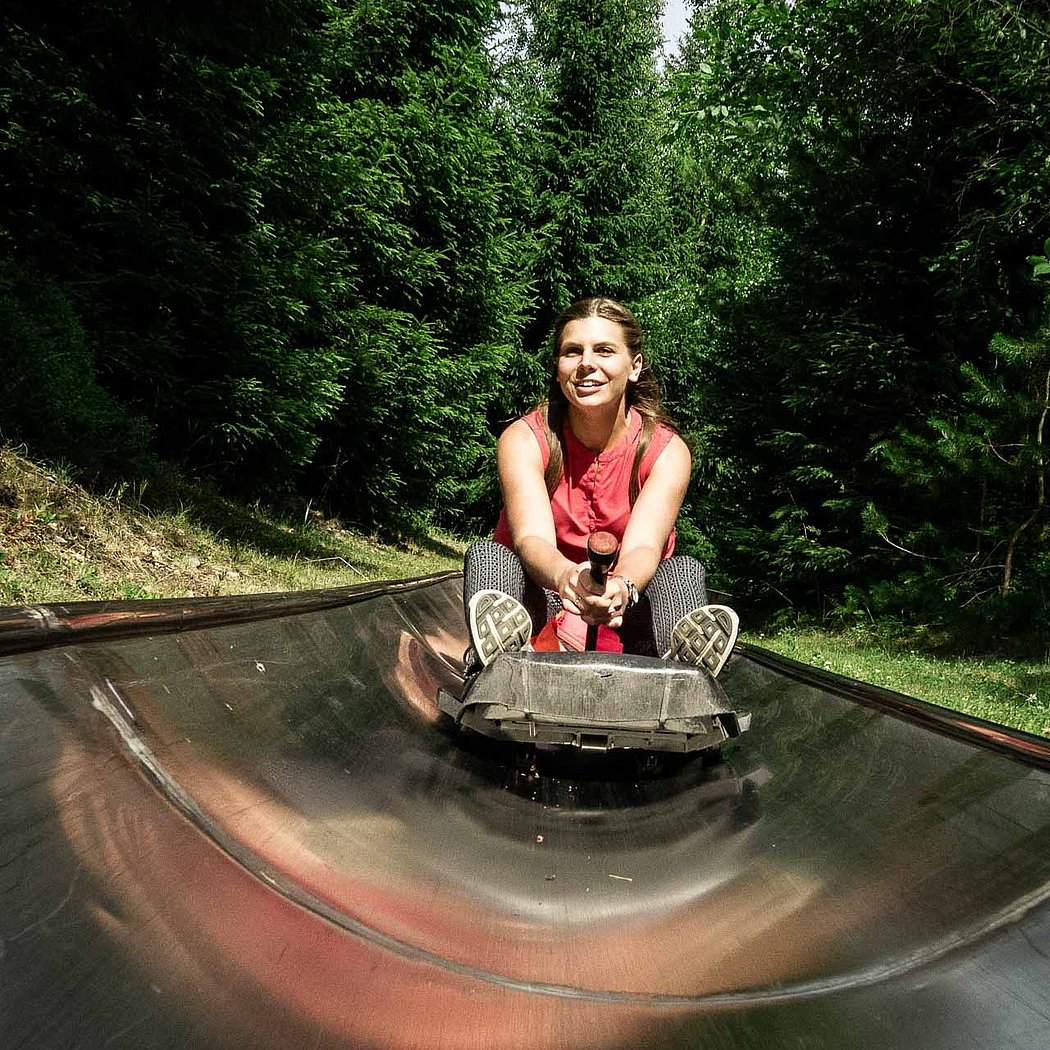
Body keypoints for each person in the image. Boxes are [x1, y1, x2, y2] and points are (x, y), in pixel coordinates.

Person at [463, 296, 738, 676]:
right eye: (572, 352)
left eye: (604, 351)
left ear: (634, 366)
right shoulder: (524, 439)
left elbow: (644, 545)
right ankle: (499, 666)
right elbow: (531, 538)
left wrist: (621, 587)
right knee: (489, 557)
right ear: (558, 369)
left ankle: (683, 675)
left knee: (682, 571)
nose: (586, 364)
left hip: (628, 604)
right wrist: (566, 579)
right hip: (544, 591)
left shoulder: (667, 452)